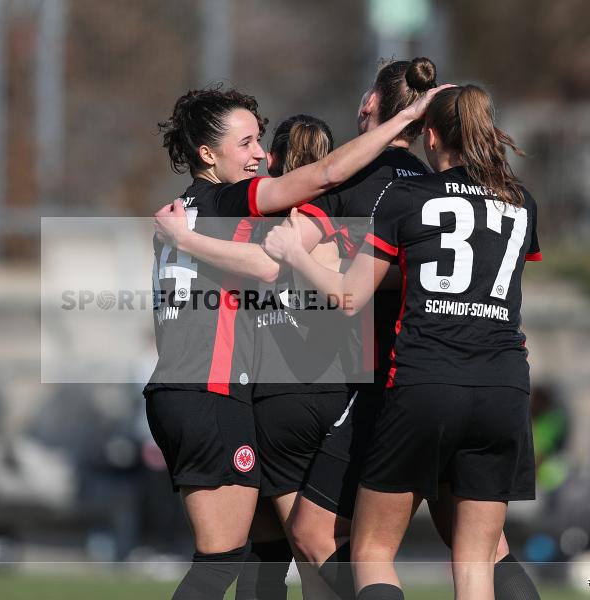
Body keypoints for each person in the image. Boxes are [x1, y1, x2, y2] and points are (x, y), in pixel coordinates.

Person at [146, 83, 446, 600]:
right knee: (225, 560)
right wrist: (403, 123)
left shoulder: (175, 216)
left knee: (266, 550)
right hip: (213, 393)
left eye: (261, 142)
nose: (260, 155)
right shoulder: (226, 200)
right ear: (207, 154)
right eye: (245, 144)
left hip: (179, 390)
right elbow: (325, 175)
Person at [263, 84, 541, 600]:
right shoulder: (520, 201)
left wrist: (295, 254)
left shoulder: (408, 198)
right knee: (477, 559)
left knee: (370, 551)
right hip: (504, 386)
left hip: (425, 383)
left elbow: (349, 296)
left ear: (430, 135)